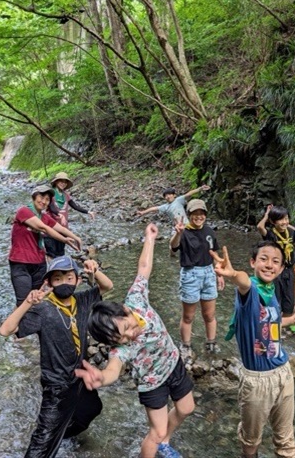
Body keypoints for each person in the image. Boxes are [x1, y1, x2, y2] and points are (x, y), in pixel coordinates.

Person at [75, 223, 195, 458]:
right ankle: (158, 443)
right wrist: (102, 378)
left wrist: (149, 238)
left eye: (128, 327)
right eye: (122, 337)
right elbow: (113, 369)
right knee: (156, 432)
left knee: (187, 408)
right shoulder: (121, 349)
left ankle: (165, 442)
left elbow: (143, 267)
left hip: (174, 365)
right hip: (153, 384)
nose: (131, 335)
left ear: (126, 310)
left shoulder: (136, 299)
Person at [0, 255, 113, 458]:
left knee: (92, 409)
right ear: (49, 283)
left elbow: (107, 286)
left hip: (79, 377)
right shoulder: (43, 310)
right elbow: (6, 330)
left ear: (78, 280)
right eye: (57, 279)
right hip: (57, 386)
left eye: (69, 278)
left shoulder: (83, 300)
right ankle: (53, 437)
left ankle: (63, 435)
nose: (64, 283)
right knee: (41, 444)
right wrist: (27, 302)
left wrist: (94, 271)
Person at [210, 242, 295, 458]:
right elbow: (243, 282)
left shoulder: (270, 291)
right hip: (257, 381)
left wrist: (293, 319)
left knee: (286, 441)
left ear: (282, 269)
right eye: (263, 259)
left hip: (283, 372)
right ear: (253, 262)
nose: (269, 265)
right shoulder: (251, 290)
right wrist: (233, 273)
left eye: (276, 261)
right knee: (251, 442)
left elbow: (268, 323)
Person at [9, 185, 83, 307]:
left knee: (38, 298)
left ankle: (35, 323)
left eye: (47, 199)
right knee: (23, 301)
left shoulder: (43, 216)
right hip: (21, 262)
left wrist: (76, 237)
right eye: (41, 197)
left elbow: (59, 227)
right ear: (34, 197)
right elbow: (44, 228)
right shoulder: (24, 211)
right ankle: (19, 325)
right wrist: (65, 240)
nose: (44, 201)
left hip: (39, 263)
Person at [170, 199, 225, 361]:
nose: (199, 217)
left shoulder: (209, 231)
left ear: (205, 215)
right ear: (189, 215)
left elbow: (214, 254)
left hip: (209, 273)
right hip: (190, 274)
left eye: (202, 213)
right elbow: (173, 248)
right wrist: (178, 234)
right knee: (188, 316)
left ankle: (211, 342)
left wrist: (219, 273)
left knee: (209, 314)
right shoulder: (184, 231)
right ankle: (185, 345)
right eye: (195, 213)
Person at [256, 204, 295, 333]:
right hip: (275, 271)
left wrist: (286, 224)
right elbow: (259, 227)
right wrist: (266, 215)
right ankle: (273, 328)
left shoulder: (291, 233)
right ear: (273, 222)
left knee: (290, 301)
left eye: (286, 218)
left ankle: (284, 326)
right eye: (281, 219)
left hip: (289, 270)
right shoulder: (270, 234)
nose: (285, 222)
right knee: (275, 300)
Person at [44, 172, 96, 260]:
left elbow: (75, 206)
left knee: (60, 253)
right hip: (51, 229)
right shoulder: (50, 193)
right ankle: (51, 271)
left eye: (65, 182)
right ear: (56, 182)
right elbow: (51, 207)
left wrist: (88, 212)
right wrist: (59, 214)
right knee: (51, 253)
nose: (63, 183)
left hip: (63, 229)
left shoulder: (66, 195)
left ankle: (59, 271)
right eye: (61, 181)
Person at [136, 184, 210, 226]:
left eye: (169, 195)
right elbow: (154, 208)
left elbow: (189, 194)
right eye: (166, 196)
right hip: (176, 227)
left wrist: (200, 189)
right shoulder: (165, 206)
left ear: (174, 195)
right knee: (173, 246)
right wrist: (143, 212)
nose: (168, 197)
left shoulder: (179, 200)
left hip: (186, 224)